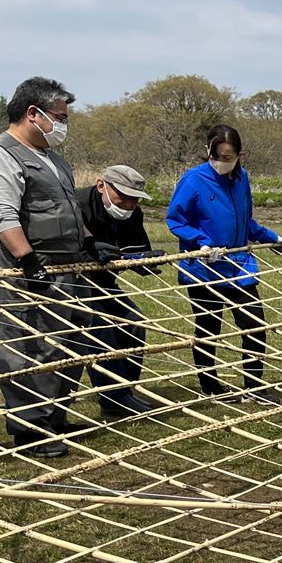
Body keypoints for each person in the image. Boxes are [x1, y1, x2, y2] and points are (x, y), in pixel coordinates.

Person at [0, 76, 108, 457]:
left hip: (70, 268)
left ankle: (54, 417)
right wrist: (28, 261)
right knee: (29, 345)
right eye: (59, 116)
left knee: (69, 345)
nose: (64, 124)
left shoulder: (55, 159)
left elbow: (68, 209)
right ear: (33, 113)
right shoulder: (0, 154)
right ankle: (29, 428)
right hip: (29, 269)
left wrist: (88, 241)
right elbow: (1, 214)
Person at [165, 125, 282, 404]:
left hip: (240, 265)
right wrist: (200, 242)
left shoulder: (242, 179)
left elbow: (246, 221)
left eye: (229, 156)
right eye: (217, 155)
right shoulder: (193, 179)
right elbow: (176, 220)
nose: (222, 161)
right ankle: (210, 387)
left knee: (254, 325)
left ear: (240, 155)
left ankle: (254, 387)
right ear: (209, 151)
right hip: (204, 268)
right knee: (209, 328)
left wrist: (272, 237)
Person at [78, 164, 164, 418]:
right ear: (101, 185)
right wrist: (89, 251)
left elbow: (134, 250)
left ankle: (125, 390)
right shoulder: (76, 206)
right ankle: (113, 398)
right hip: (73, 283)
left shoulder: (132, 214)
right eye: (122, 197)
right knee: (101, 330)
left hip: (104, 282)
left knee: (134, 323)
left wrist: (144, 262)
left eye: (134, 200)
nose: (128, 204)